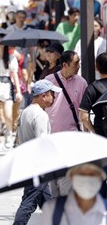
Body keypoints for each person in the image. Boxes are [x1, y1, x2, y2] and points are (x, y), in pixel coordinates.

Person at [11, 80, 62, 225]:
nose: (54, 97)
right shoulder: (40, 115)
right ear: (43, 95)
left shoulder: (26, 111)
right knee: (28, 203)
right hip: (37, 166)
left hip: (28, 163)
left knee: (47, 203)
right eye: (52, 94)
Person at [45, 51, 87, 197]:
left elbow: (84, 111)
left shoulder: (81, 83)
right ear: (64, 65)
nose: (79, 66)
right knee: (52, 179)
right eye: (76, 63)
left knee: (66, 178)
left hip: (71, 137)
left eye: (79, 62)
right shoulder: (49, 80)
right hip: (51, 136)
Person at [38, 162, 107, 225]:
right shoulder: (51, 209)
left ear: (101, 178)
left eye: (92, 175)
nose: (87, 181)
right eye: (82, 175)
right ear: (72, 177)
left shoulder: (104, 212)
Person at [0, 35, 22, 151]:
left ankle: (9, 135)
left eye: (2, 40)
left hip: (7, 84)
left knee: (8, 115)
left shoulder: (11, 57)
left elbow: (15, 75)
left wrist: (19, 92)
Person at [79, 52, 107, 136]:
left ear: (96, 67)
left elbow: (83, 116)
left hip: (102, 134)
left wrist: (94, 131)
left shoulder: (92, 88)